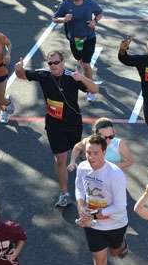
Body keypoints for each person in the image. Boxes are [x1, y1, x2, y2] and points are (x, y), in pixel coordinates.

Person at [14, 51, 99, 207]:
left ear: (62, 62)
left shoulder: (71, 77)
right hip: (54, 124)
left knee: (78, 151)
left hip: (73, 123)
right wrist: (18, 69)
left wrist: (82, 78)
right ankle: (65, 193)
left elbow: (94, 90)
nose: (53, 66)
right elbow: (22, 75)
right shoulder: (44, 75)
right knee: (60, 160)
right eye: (50, 63)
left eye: (56, 62)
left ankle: (90, 182)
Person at [75, 134, 129, 265]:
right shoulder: (82, 168)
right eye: (88, 152)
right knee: (100, 264)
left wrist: (95, 214)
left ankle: (121, 245)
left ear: (104, 152)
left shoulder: (115, 174)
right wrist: (81, 208)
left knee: (115, 252)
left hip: (115, 224)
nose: (91, 157)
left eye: (95, 153)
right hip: (94, 225)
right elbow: (80, 189)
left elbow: (120, 207)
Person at [52, 0, 104, 103]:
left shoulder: (90, 3)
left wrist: (95, 22)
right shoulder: (65, 4)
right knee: (80, 61)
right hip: (74, 40)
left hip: (89, 38)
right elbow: (55, 19)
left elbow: (100, 12)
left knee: (86, 64)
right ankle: (87, 74)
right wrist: (64, 19)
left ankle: (89, 90)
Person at [68, 117, 135, 171]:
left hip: (111, 179)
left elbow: (130, 161)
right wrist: (72, 162)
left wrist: (113, 166)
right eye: (105, 137)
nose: (108, 140)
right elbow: (77, 148)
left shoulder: (118, 143)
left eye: (111, 136)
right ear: (97, 135)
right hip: (93, 178)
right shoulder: (90, 142)